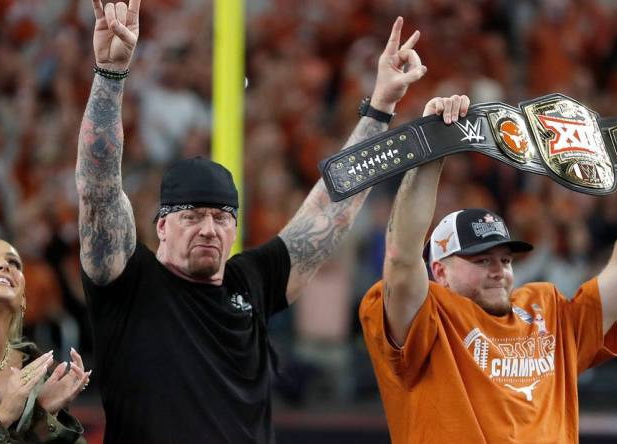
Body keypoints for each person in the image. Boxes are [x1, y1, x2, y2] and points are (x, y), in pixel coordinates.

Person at [76, 1, 427, 442]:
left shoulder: (250, 282)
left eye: (221, 217)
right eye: (191, 216)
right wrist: (110, 75)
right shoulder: (128, 283)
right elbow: (98, 189)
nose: (208, 228)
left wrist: (379, 108)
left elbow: (326, 211)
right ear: (161, 226)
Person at [359, 94, 617, 443]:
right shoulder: (427, 318)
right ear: (439, 271)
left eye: (505, 260)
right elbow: (401, 256)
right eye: (481, 260)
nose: (498, 270)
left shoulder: (548, 310)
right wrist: (430, 148)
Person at [0, 238, 89, 442]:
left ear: (23, 299)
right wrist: (3, 417)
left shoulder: (40, 371)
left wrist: (44, 414)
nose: (4, 265)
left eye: (14, 263)